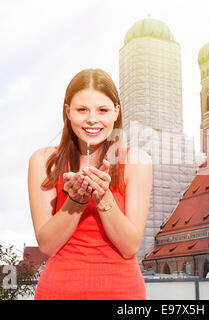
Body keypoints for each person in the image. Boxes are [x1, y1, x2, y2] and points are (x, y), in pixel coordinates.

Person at [27, 68, 152, 299]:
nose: (92, 119)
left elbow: (129, 246)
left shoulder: (137, 162)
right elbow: (47, 245)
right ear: (68, 112)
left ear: (116, 112)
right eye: (82, 109)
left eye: (102, 110)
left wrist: (104, 198)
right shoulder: (43, 161)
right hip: (59, 290)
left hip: (122, 292)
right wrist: (75, 202)